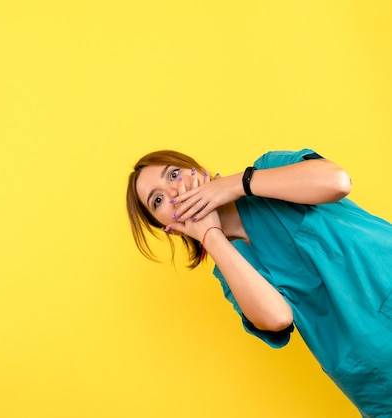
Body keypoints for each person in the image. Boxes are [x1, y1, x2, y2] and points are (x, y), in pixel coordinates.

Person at [126, 148, 392, 418]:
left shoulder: (267, 170)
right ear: (166, 227)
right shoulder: (229, 270)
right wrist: (211, 235)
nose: (174, 192)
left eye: (174, 174)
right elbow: (278, 318)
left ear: (196, 168)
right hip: (376, 381)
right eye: (158, 200)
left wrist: (235, 184)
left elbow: (337, 182)